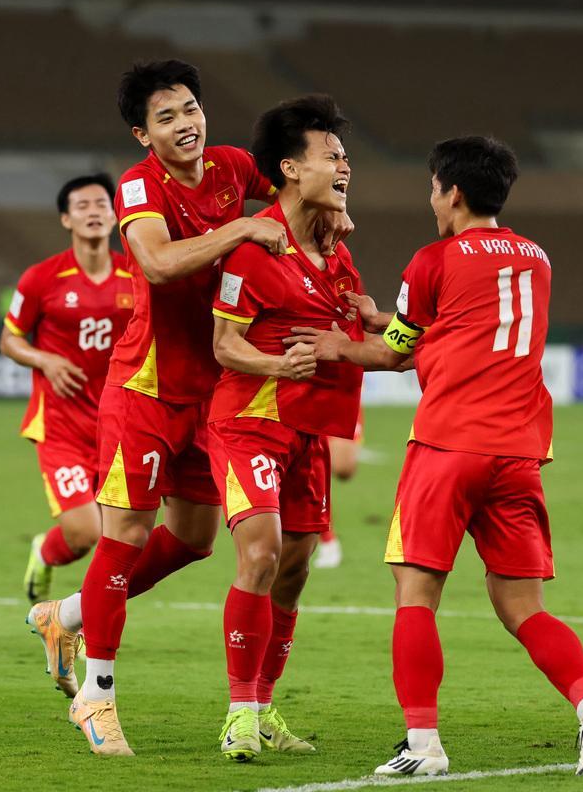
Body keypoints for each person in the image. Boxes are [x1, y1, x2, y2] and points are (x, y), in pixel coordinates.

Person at [26, 60, 349, 757]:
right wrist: (241, 231)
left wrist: (335, 210)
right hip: (145, 388)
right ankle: (97, 694)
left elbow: (295, 182)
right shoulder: (139, 185)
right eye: (166, 117)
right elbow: (158, 264)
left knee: (195, 540)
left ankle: (69, 613)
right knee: (125, 537)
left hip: (212, 391)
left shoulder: (232, 166)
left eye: (191, 109)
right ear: (143, 135)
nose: (185, 124)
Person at [289, 136, 583, 778]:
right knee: (524, 607)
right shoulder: (536, 258)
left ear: (455, 193)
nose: (432, 200)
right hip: (519, 454)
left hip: (448, 446)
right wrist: (377, 317)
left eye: (434, 188)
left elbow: (396, 352)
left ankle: (423, 745)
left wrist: (338, 344)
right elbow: (460, 326)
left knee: (415, 594)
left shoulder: (432, 260)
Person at [208, 94, 363, 762]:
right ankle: (238, 714)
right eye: (331, 155)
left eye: (345, 155)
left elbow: (355, 330)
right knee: (262, 553)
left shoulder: (335, 253)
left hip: (309, 431)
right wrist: (277, 363)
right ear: (290, 169)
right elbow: (223, 345)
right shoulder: (253, 248)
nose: (344, 165)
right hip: (249, 420)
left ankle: (266, 706)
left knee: (295, 568)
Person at [1, 174, 133, 607]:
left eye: (101, 204)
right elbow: (10, 340)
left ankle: (86, 617)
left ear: (115, 215)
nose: (93, 212)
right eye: (82, 206)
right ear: (65, 219)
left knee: (123, 536)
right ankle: (44, 553)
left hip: (118, 424)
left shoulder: (136, 274)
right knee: (84, 532)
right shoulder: (41, 278)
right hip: (61, 427)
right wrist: (46, 360)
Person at [313, 410, 365, 569]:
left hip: (338, 400)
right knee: (311, 468)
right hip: (300, 402)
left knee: (344, 469)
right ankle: (328, 541)